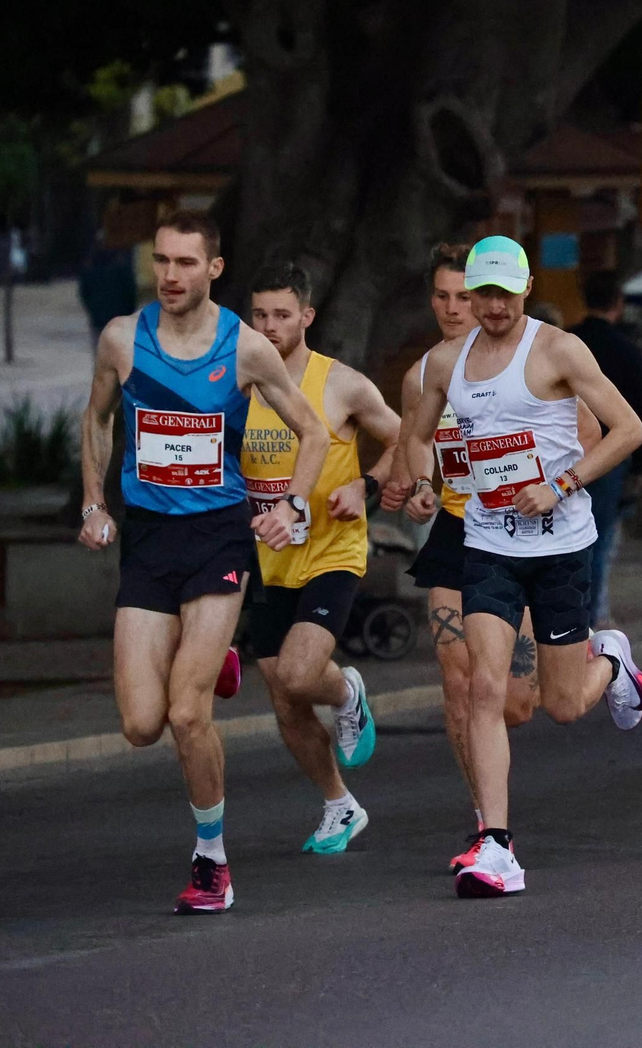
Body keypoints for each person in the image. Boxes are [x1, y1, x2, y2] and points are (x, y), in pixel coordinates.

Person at [78, 211, 330, 914]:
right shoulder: (123, 339)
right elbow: (97, 417)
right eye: (161, 260)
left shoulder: (246, 348)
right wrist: (93, 501)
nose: (170, 275)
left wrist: (293, 507)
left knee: (188, 715)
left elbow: (313, 431)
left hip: (219, 534)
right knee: (139, 723)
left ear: (213, 269)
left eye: (186, 263)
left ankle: (211, 861)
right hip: (150, 539)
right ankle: (208, 652)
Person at [397, 235, 642, 898]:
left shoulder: (558, 351)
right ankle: (497, 844)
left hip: (561, 544)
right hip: (488, 543)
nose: (494, 305)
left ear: (528, 288)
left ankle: (614, 662)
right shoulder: (447, 364)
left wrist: (562, 485)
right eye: (483, 293)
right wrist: (423, 483)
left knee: (561, 705)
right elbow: (417, 436)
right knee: (483, 687)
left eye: (505, 293)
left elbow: (628, 430)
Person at [241, 260, 402, 854]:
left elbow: (408, 438)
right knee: (283, 701)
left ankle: (346, 694)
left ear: (306, 316)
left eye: (282, 314)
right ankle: (340, 804)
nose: (270, 326)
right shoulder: (239, 384)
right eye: (259, 315)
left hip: (332, 549)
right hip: (266, 559)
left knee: (301, 674)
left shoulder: (342, 385)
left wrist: (367, 486)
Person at [571, 271, 642, 625]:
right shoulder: (627, 350)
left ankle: (570, 611)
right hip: (609, 457)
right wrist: (639, 468)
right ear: (618, 304)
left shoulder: (566, 342)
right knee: (600, 538)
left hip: (563, 454)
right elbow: (641, 409)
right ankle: (591, 616)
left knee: (564, 537)